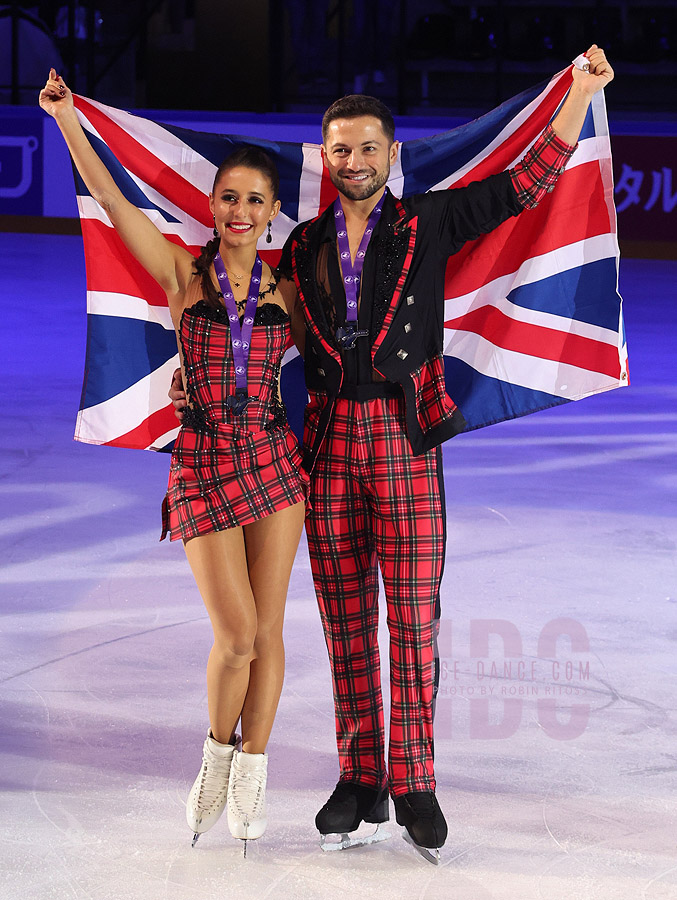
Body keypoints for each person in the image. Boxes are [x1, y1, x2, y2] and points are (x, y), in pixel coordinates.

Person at [170, 46, 614, 859]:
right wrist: (191, 384)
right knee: (344, 619)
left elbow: (524, 185)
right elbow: (248, 329)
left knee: (410, 618)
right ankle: (358, 777)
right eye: (340, 149)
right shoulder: (300, 246)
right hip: (324, 442)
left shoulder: (428, 222)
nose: (354, 161)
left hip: (404, 436)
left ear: (390, 153)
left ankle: (413, 782)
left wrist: (580, 92)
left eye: (368, 147)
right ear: (325, 156)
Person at [40, 68, 309, 849]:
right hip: (202, 464)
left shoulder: (291, 291)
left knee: (269, 629)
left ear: (272, 212)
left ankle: (254, 766)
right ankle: (217, 753)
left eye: (254, 200)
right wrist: (66, 120)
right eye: (228, 197)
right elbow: (112, 200)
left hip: (274, 463)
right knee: (237, 635)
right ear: (213, 205)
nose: (239, 211)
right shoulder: (182, 275)